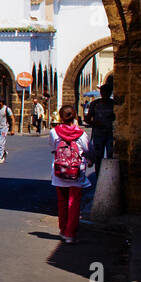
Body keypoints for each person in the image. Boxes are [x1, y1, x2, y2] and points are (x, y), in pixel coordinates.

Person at [50, 104, 93, 244]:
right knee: (74, 203)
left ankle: (62, 230)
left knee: (61, 202)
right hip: (76, 172)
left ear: (61, 117)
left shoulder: (54, 132)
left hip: (59, 172)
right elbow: (87, 150)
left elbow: (52, 148)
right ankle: (70, 233)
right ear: (74, 117)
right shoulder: (82, 134)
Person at [86, 82, 116, 176]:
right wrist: (95, 123)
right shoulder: (95, 104)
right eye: (103, 92)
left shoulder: (114, 104)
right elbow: (87, 118)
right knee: (98, 157)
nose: (105, 94)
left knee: (111, 155)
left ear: (110, 93)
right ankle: (99, 175)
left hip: (111, 134)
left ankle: (110, 175)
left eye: (107, 92)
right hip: (98, 134)